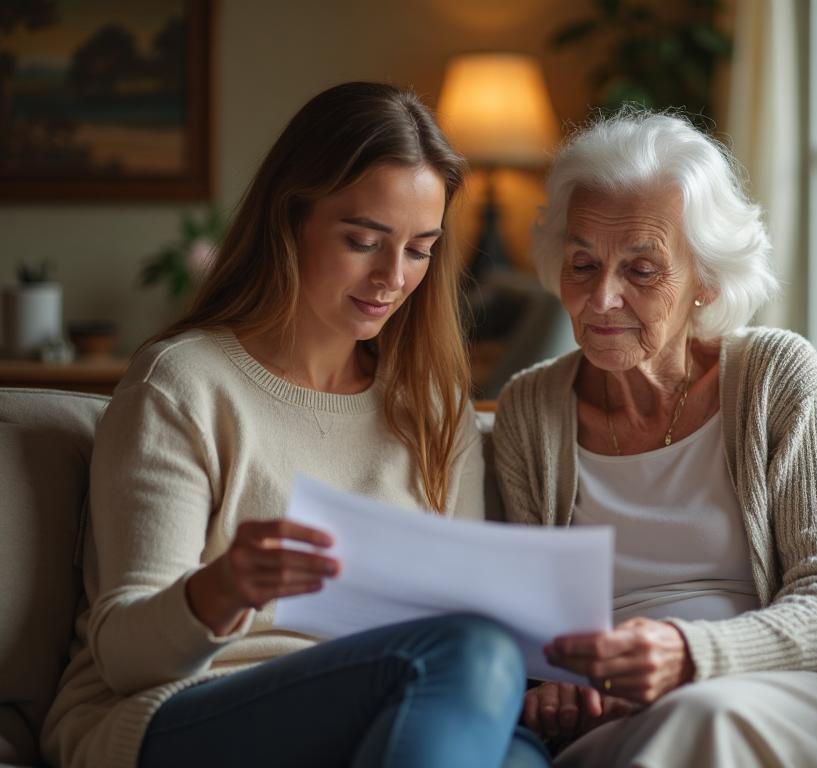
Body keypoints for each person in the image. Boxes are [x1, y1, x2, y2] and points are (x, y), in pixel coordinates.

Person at [41, 82, 549, 768]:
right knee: (472, 656)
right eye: (363, 240)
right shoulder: (184, 383)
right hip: (180, 710)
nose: (392, 278)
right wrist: (221, 590)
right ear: (290, 220)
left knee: (519, 754)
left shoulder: (432, 404)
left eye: (419, 249)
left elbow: (457, 619)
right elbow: (126, 657)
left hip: (381, 708)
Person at [493, 111, 817, 767]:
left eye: (642, 270)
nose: (601, 300)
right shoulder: (528, 410)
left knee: (704, 716)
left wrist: (688, 656)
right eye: (583, 263)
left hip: (803, 698)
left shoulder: (774, 375)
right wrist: (557, 688)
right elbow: (535, 629)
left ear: (706, 281)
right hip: (622, 722)